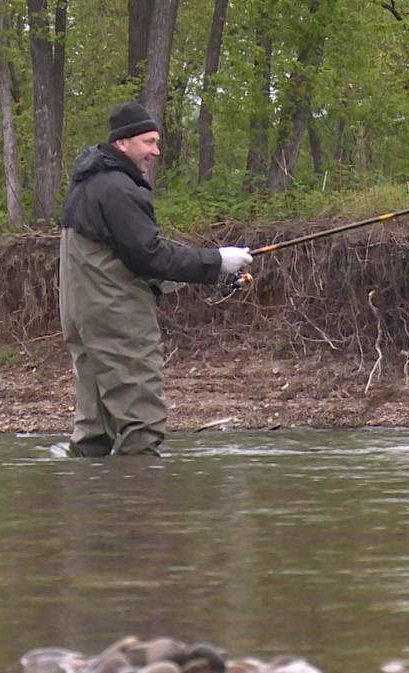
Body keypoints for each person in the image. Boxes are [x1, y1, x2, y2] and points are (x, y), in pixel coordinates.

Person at [58, 101, 252, 457]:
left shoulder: (89, 184)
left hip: (85, 317)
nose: (156, 151)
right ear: (122, 143)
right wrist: (217, 261)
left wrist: (189, 273)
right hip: (117, 320)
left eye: (156, 142)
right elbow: (149, 255)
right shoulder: (118, 188)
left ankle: (87, 504)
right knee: (141, 425)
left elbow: (124, 257)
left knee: (93, 430)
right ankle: (143, 506)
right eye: (148, 142)